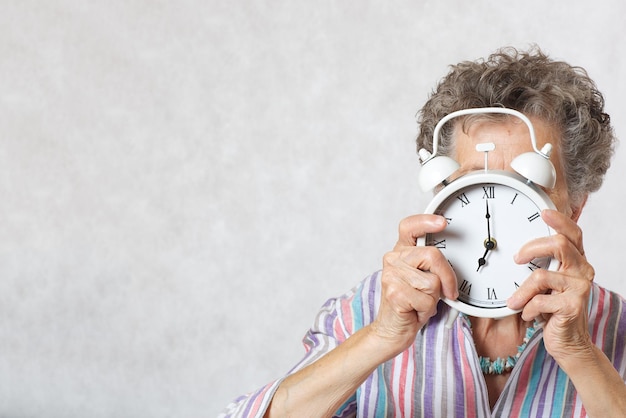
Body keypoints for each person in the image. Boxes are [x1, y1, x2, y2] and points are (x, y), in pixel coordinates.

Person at [219, 46, 626, 417]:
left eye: (526, 188)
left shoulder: (617, 327)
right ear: (442, 196)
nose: (498, 215)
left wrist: (580, 354)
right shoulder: (366, 312)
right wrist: (381, 337)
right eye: (477, 187)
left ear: (575, 206)